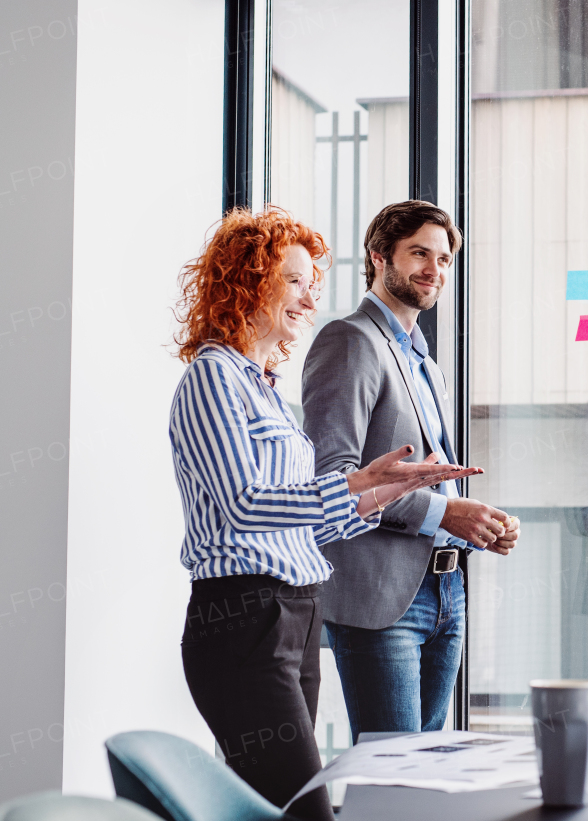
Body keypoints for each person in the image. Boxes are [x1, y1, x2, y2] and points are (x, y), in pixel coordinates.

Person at [169, 207, 480, 821]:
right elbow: (243, 505)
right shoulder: (212, 378)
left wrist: (383, 493)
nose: (310, 294)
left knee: (283, 806)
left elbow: (309, 518)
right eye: (293, 280)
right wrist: (356, 483)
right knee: (303, 808)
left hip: (295, 608)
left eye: (310, 280)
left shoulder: (265, 389)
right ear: (246, 283)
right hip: (243, 612)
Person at [301, 200, 519, 740]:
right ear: (380, 257)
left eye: (444, 259)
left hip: (447, 589)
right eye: (419, 253)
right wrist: (447, 513)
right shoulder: (349, 340)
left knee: (427, 779)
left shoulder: (425, 362)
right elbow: (335, 477)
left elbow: (427, 474)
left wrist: (481, 523)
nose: (434, 270)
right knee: (394, 777)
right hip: (382, 600)